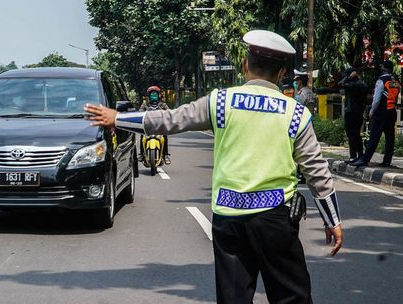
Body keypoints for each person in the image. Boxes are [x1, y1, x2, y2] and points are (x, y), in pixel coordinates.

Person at [85, 30, 343, 304]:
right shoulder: (295, 113)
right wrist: (332, 220)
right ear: (281, 73)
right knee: (292, 297)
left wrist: (119, 118)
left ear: (245, 65)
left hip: (229, 218)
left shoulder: (221, 102)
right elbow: (317, 171)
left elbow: (171, 120)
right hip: (274, 220)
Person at [351, 60, 401, 167]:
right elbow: (396, 97)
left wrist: (372, 111)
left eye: (382, 67)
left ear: (384, 68)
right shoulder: (396, 81)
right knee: (390, 137)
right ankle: (387, 161)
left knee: (374, 136)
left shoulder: (381, 81)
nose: (381, 68)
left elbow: (377, 99)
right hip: (392, 111)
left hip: (381, 112)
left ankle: (364, 159)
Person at [338, 68, 368, 163]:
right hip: (359, 112)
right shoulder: (362, 84)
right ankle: (360, 155)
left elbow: (340, 84)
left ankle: (353, 156)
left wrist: (349, 76)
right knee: (356, 135)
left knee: (351, 135)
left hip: (351, 112)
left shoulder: (352, 85)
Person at [138, 86, 171, 165]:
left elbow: (169, 112)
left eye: (155, 94)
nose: (153, 96)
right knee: (142, 135)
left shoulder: (163, 105)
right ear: (149, 96)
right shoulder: (145, 105)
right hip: (148, 126)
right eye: (152, 94)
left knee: (165, 135)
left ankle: (165, 155)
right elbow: (140, 112)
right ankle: (142, 154)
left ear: (158, 95)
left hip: (159, 126)